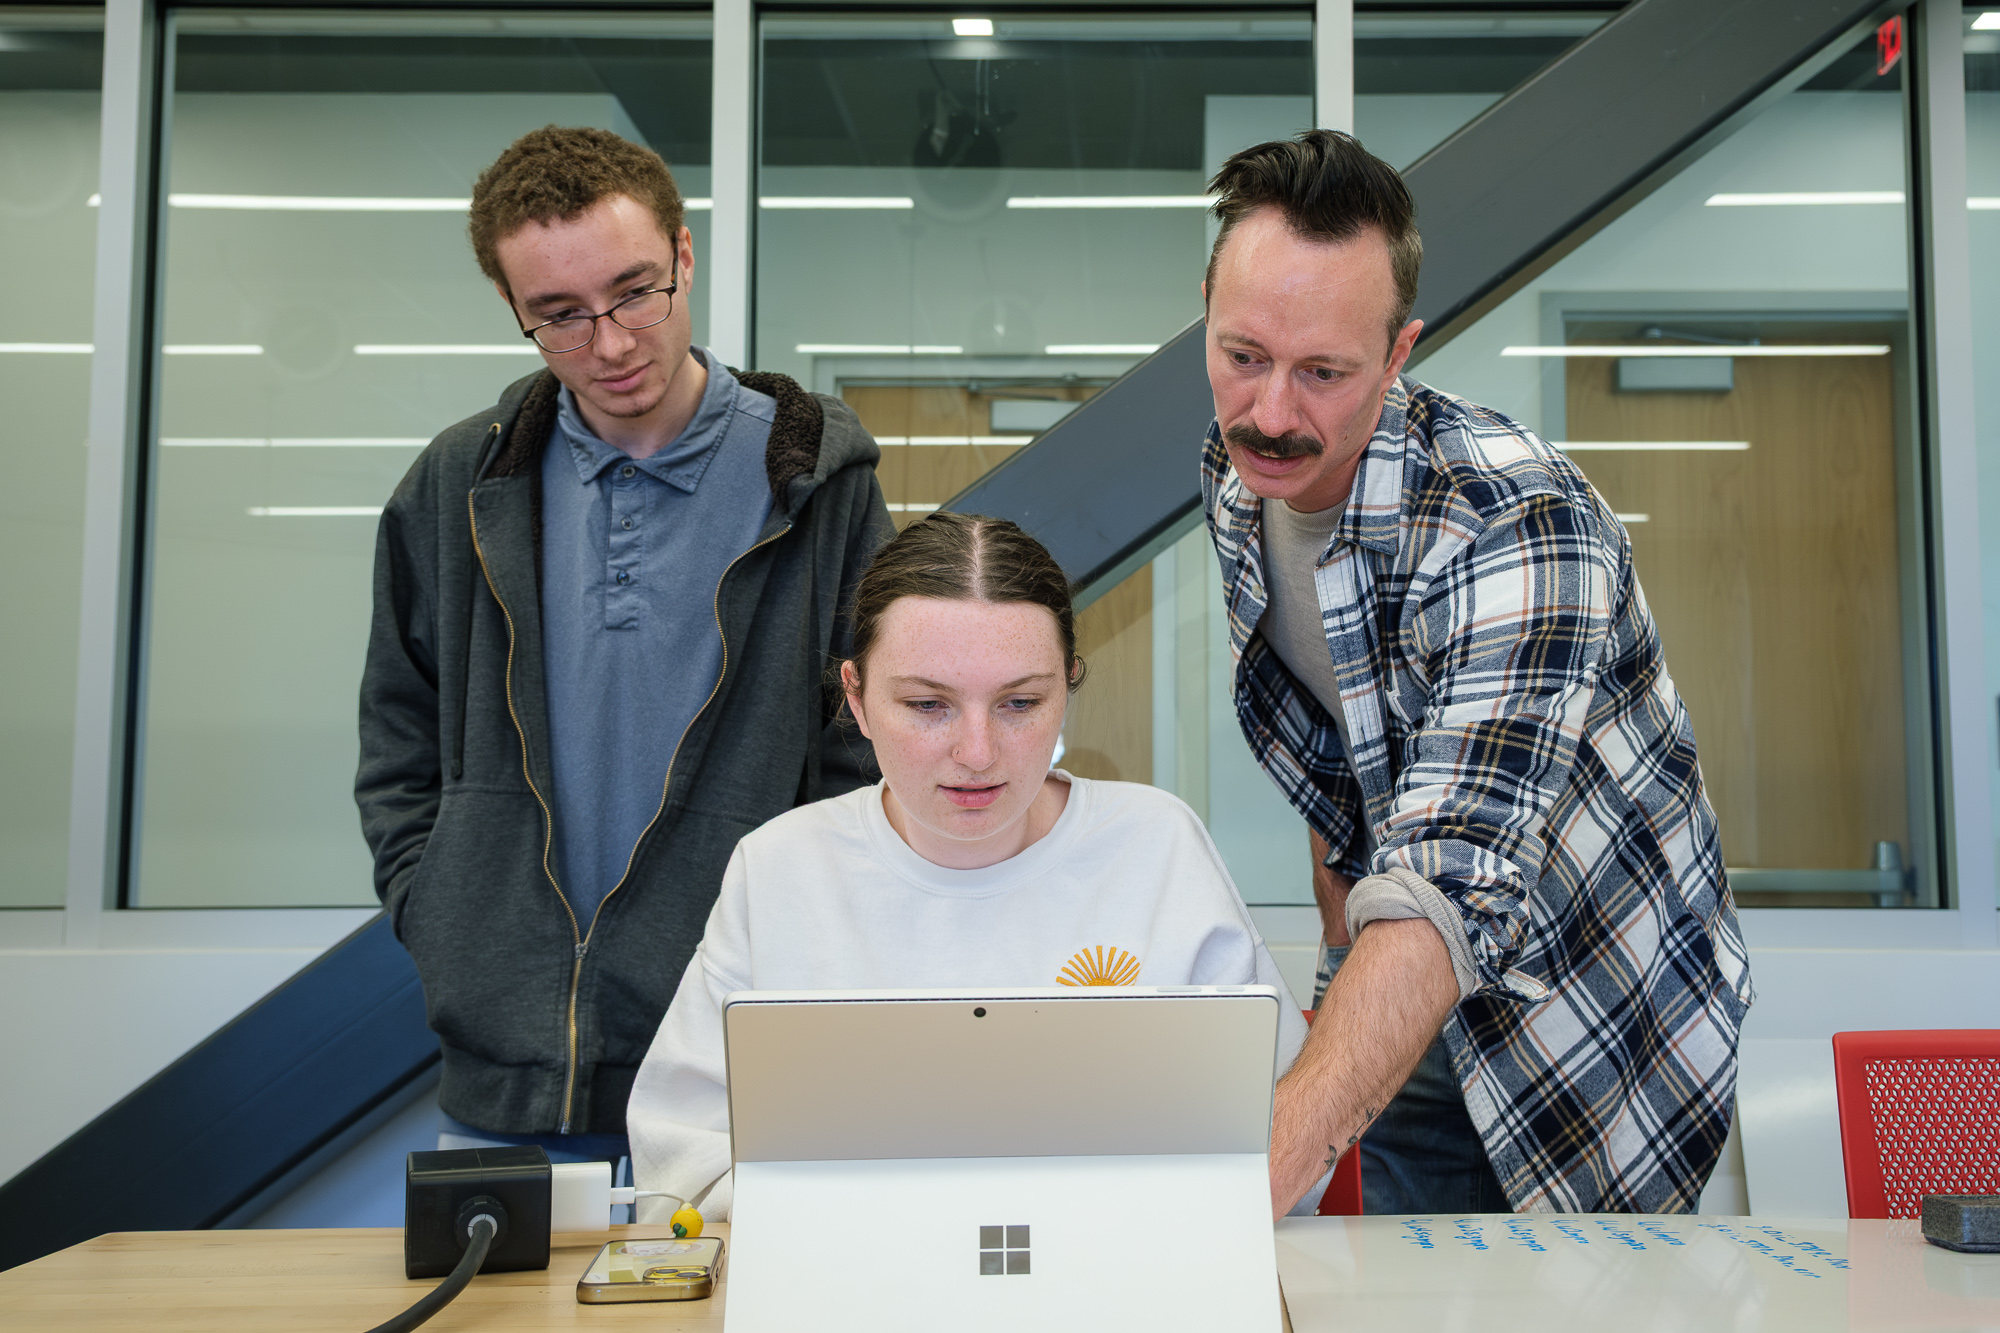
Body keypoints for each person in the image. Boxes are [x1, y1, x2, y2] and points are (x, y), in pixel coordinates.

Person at [1197, 130, 1752, 1217]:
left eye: (1322, 371)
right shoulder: (1239, 476)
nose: (1269, 411)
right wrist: (1337, 944)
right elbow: (1340, 737)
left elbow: (1452, 873)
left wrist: (1239, 1189)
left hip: (1586, 1012)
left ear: (1398, 352)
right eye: (1241, 354)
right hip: (1396, 976)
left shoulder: (1515, 520)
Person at [355, 126, 894, 1167]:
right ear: (514, 313)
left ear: (685, 259)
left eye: (635, 292)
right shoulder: (454, 486)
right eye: (558, 316)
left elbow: (865, 747)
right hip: (506, 1083)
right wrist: (442, 914)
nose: (608, 343)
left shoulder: (817, 482)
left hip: (745, 1074)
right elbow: (397, 736)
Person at [626, 512, 1308, 1221]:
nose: (977, 751)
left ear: (1067, 686)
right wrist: (890, 1220)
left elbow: (1288, 1122)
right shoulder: (781, 870)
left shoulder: (1156, 847)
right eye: (928, 705)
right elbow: (682, 1161)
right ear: (856, 697)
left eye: (1020, 702)